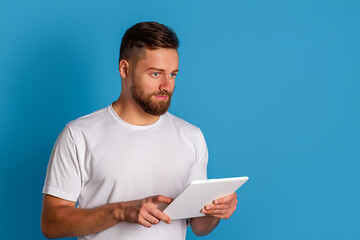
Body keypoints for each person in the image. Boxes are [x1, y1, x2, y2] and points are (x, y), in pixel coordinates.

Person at [41, 21, 238, 240]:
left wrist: (216, 212)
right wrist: (122, 211)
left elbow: (199, 227)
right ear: (125, 69)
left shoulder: (191, 136)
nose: (167, 85)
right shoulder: (79, 135)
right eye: (156, 74)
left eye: (173, 74)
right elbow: (51, 224)